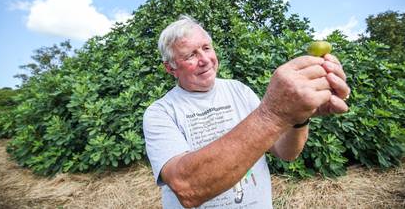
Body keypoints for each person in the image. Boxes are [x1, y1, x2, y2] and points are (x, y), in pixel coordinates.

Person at [143, 15, 350, 208]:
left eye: (206, 48)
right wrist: (274, 114)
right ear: (170, 68)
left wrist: (298, 116)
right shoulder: (161, 112)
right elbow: (187, 187)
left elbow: (286, 153)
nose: (204, 59)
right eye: (190, 55)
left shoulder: (239, 89)